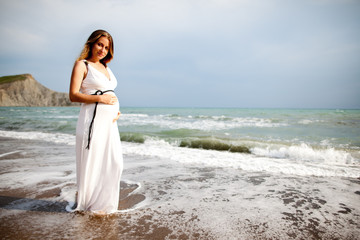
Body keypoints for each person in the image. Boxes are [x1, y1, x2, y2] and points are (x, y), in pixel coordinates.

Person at [69, 29, 123, 214]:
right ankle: (91, 205)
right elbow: (74, 96)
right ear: (91, 43)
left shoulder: (106, 67)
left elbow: (109, 93)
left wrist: (116, 111)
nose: (102, 49)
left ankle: (103, 204)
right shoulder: (82, 65)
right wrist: (101, 100)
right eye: (100, 44)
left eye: (107, 47)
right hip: (91, 120)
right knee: (92, 163)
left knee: (115, 162)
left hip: (110, 123)